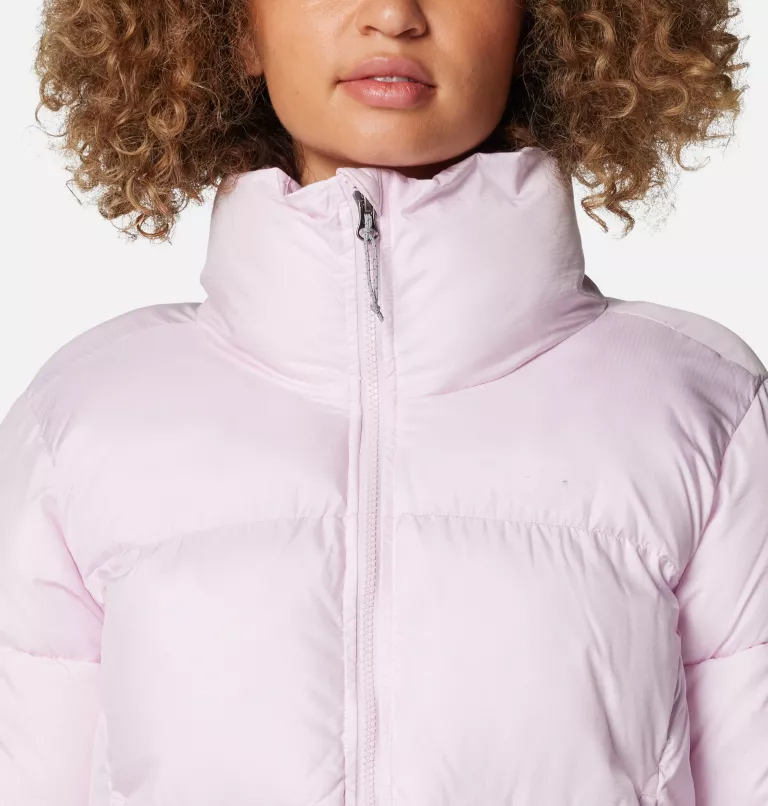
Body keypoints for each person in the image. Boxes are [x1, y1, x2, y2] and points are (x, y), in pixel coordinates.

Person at [1, 0, 766, 804]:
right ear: (235, 29)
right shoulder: (82, 423)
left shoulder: (701, 412)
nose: (394, 15)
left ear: (540, 23)